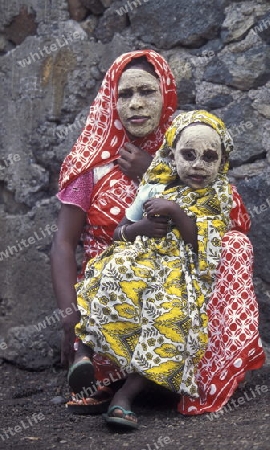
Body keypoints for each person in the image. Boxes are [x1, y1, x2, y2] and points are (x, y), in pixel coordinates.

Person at [72, 110, 265, 429]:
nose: (199, 165)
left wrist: (175, 212)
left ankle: (124, 398)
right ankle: (85, 361)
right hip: (140, 263)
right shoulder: (153, 187)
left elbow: (202, 245)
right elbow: (120, 231)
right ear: (171, 155)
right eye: (188, 155)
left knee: (168, 317)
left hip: (181, 274)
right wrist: (141, 228)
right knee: (105, 283)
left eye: (209, 157)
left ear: (221, 163)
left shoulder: (215, 198)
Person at [50, 49, 177, 402]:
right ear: (111, 99)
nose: (136, 104)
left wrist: (153, 171)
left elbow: (212, 219)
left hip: (171, 283)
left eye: (147, 92)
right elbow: (63, 243)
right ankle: (100, 366)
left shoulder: (186, 155)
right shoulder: (91, 166)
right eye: (125, 94)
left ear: (165, 95)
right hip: (106, 289)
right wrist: (67, 317)